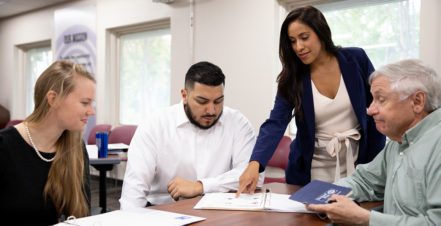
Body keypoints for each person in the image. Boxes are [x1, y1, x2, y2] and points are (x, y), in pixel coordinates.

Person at [237, 6, 385, 195]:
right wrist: (254, 165)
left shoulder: (356, 59)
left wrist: (376, 162)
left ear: (321, 32)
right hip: (312, 170)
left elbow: (377, 106)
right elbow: (275, 123)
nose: (299, 47)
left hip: (358, 165)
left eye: (304, 37)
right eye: (292, 41)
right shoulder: (292, 78)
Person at [307, 59, 441, 225]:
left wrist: (364, 219)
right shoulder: (398, 141)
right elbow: (364, 181)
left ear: (417, 101)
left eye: (381, 99)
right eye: (373, 99)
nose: (370, 110)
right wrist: (322, 194)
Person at [119, 61, 263, 208]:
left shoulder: (238, 123)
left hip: (218, 210)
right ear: (184, 95)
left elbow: (253, 176)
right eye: (202, 101)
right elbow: (133, 195)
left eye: (218, 101)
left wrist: (200, 187)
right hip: (162, 210)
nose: (211, 111)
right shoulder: (155, 125)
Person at [0, 60, 96, 224]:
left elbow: (82, 215)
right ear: (53, 98)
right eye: (85, 102)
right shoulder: (4, 146)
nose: (92, 111)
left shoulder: (76, 147)